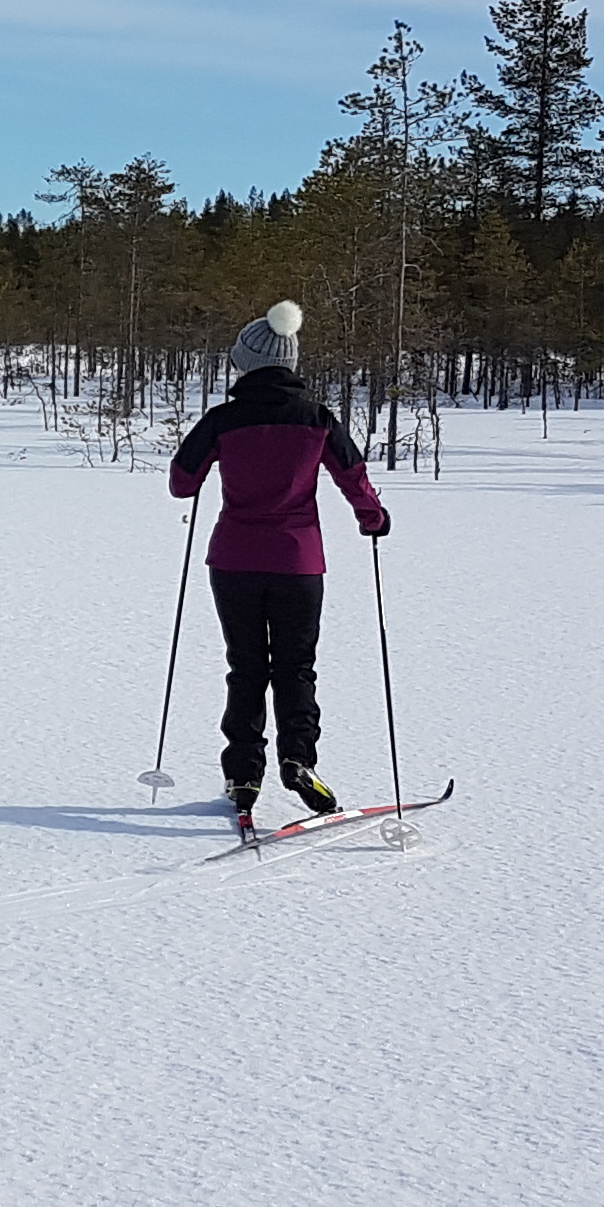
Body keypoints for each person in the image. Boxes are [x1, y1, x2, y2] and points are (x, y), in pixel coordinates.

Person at [167, 301, 389, 822]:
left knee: (245, 667)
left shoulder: (223, 419)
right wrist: (372, 518)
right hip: (298, 562)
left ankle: (243, 773)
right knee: (296, 666)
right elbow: (353, 478)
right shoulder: (316, 419)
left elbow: (181, 483)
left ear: (246, 364)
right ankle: (298, 758)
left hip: (234, 561)